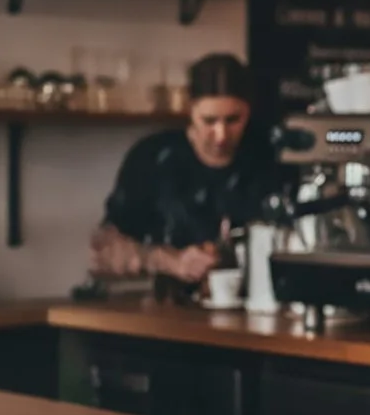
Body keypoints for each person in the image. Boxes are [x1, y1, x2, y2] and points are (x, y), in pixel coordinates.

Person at [89, 53, 277, 289]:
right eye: (209, 121)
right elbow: (104, 250)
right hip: (166, 311)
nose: (221, 134)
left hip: (257, 307)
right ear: (190, 110)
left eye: (233, 120)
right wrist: (170, 261)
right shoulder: (154, 157)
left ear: (248, 111)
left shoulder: (269, 156)